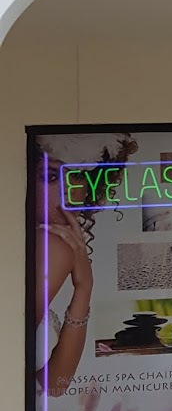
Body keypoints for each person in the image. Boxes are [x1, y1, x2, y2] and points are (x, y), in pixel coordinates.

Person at [34, 151, 94, 397]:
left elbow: (53, 385)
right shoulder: (50, 245)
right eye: (50, 176)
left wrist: (84, 287)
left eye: (77, 176)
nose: (68, 190)